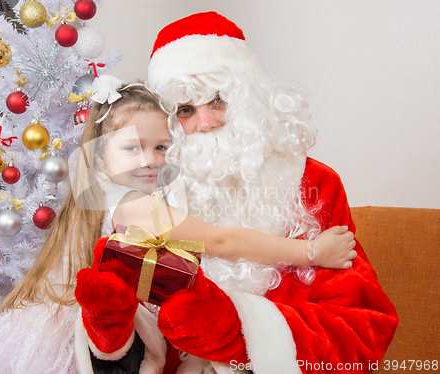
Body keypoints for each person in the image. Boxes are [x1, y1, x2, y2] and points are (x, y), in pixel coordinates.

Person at [0, 78, 355, 374]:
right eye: (132, 148)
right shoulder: (136, 207)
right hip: (83, 343)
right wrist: (310, 252)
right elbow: (220, 241)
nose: (150, 160)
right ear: (101, 156)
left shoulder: (101, 195)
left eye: (160, 147)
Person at [86, 11, 398, 374]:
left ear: (251, 97)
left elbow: (362, 334)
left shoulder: (313, 182)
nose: (204, 124)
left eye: (218, 101)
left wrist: (235, 332)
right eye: (186, 110)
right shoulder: (155, 189)